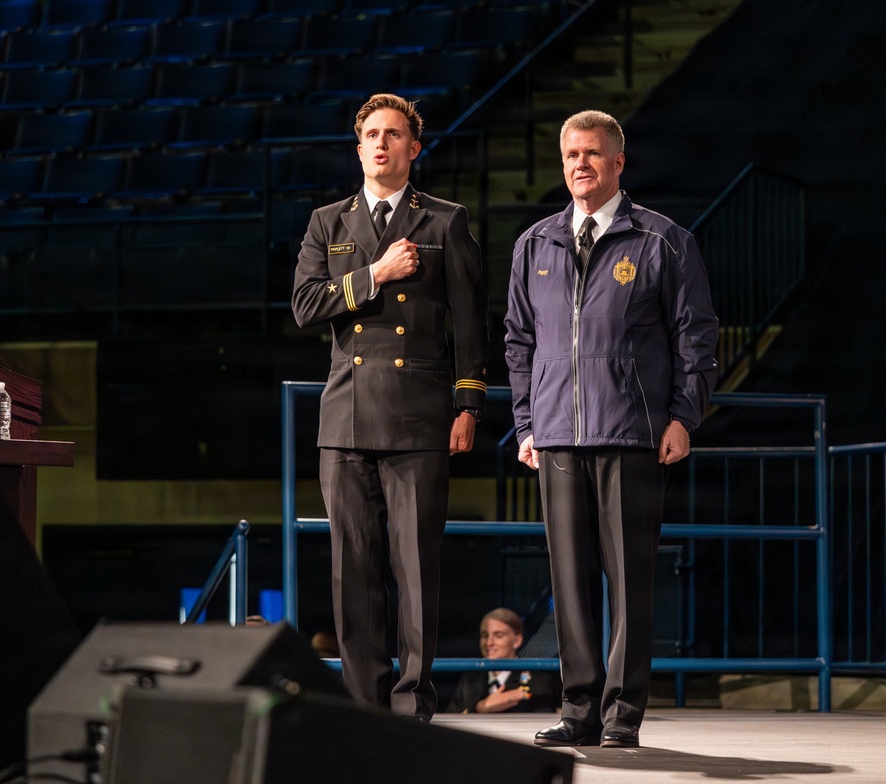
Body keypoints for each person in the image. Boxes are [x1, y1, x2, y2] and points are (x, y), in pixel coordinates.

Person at [504, 110, 718, 748]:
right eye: (571, 154)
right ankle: (578, 712)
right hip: (558, 438)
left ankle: (622, 714)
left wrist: (683, 416)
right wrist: (526, 421)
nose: (580, 164)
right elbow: (518, 342)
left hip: (633, 433)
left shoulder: (663, 240)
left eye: (593, 153)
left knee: (630, 583)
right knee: (568, 583)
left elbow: (697, 336)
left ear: (619, 162)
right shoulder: (534, 244)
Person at [291, 93, 489, 722]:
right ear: (358, 148)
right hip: (345, 417)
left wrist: (468, 405)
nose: (380, 143)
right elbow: (304, 306)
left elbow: (469, 320)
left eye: (393, 134)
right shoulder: (329, 221)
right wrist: (373, 272)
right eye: (371, 134)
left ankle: (412, 709)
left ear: (414, 148)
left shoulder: (443, 221)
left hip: (417, 417)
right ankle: (362, 709)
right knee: (353, 576)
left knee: (415, 571)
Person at [446, 607, 560, 714]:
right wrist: (479, 708)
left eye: (498, 635)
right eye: (485, 635)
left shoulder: (539, 679)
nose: (489, 643)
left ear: (517, 641)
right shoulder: (470, 679)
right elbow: (449, 724)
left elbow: (543, 723)